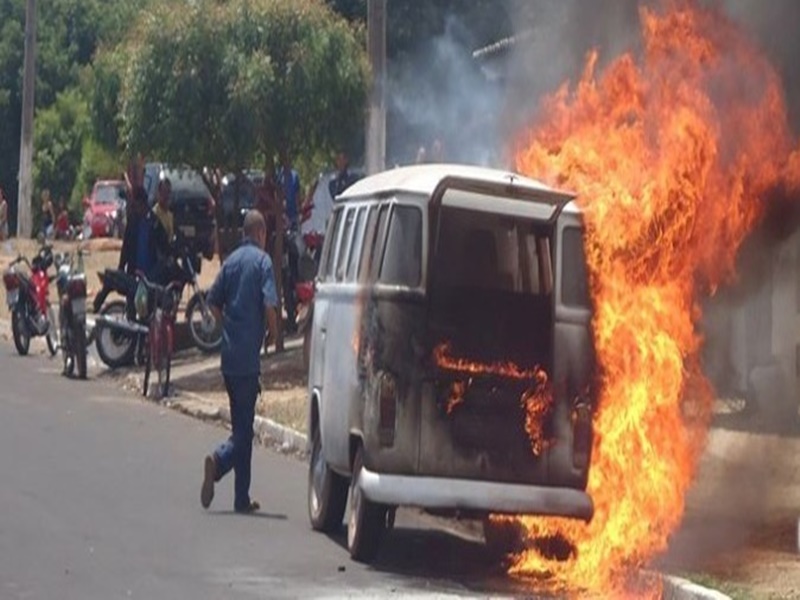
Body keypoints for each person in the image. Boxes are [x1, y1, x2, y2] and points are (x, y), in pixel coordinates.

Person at [201, 210, 279, 514]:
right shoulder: (263, 262)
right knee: (244, 433)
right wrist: (272, 334)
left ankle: (241, 498)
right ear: (259, 233)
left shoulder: (231, 261)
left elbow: (212, 302)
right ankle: (218, 461)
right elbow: (269, 303)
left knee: (241, 426)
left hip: (229, 356)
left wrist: (228, 325)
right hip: (247, 359)